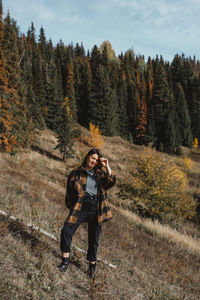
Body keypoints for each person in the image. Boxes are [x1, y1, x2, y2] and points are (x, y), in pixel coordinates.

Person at [59, 148, 116, 277]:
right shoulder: (76, 173)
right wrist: (73, 207)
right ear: (87, 157)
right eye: (92, 158)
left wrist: (107, 166)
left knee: (94, 239)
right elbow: (69, 193)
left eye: (96, 160)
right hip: (81, 207)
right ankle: (65, 260)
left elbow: (111, 182)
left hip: (96, 209)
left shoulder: (100, 174)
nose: (94, 161)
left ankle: (92, 266)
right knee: (66, 231)